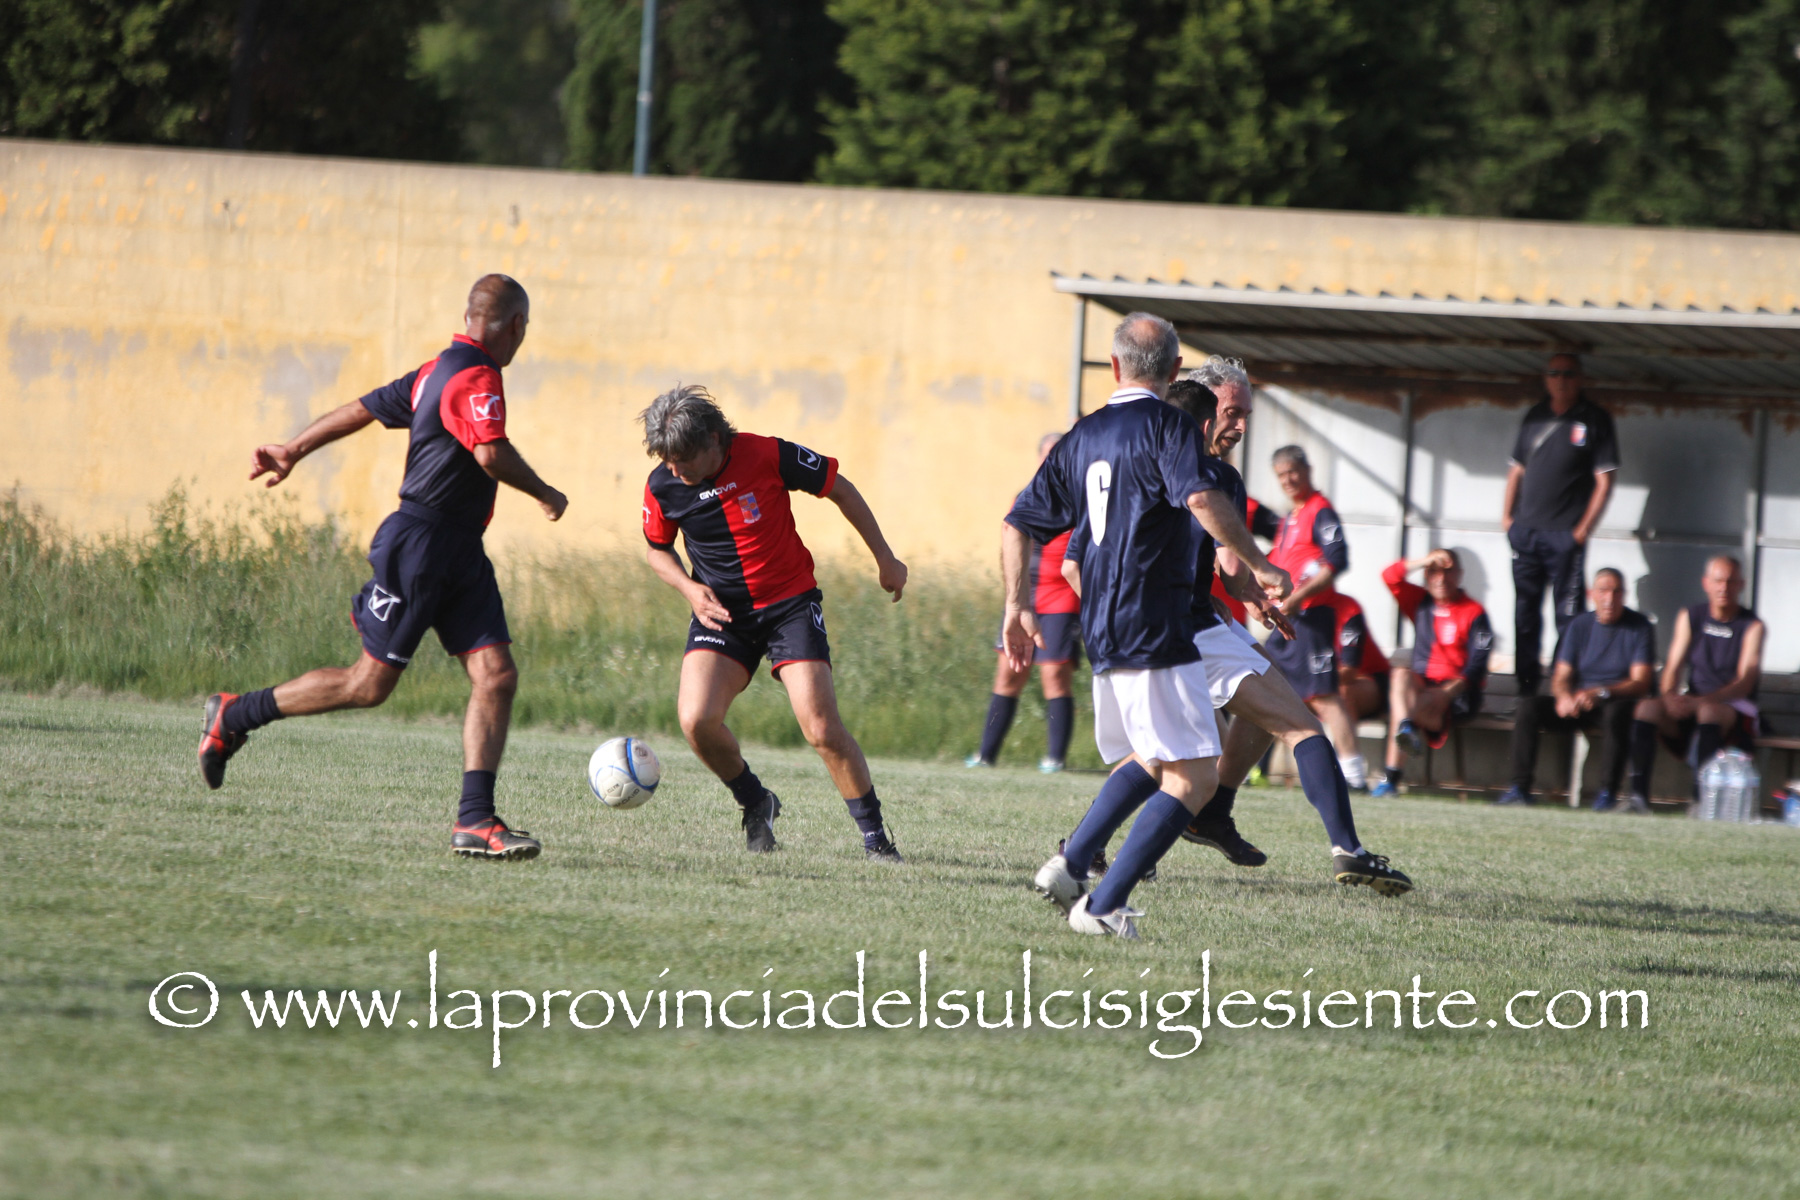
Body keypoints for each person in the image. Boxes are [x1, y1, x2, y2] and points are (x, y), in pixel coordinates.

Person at [196, 275, 569, 860]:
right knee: (367, 685)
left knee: (496, 675)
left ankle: (476, 820)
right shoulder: (476, 376)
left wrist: (293, 448)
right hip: (421, 548)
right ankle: (236, 713)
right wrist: (546, 492)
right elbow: (489, 452)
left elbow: (361, 409)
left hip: (459, 551)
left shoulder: (434, 372)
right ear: (516, 326)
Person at [1066, 370, 1409, 895]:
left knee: (1172, 751)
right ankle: (1347, 849)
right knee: (1294, 727)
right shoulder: (1209, 477)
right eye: (1232, 412)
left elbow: (1081, 563)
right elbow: (1223, 554)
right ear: (1202, 411)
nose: (1241, 425)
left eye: (1246, 414)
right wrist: (1262, 576)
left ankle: (1110, 845)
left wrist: (1248, 596)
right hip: (1183, 629)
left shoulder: (1133, 462)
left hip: (1152, 628)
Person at [1008, 313, 1295, 939]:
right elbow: (1200, 499)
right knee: (1195, 776)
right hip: (1156, 621)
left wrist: (1015, 604)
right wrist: (1262, 562)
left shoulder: (1082, 434)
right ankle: (1103, 906)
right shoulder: (1172, 425)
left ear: (1115, 366)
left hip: (1103, 626)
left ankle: (1072, 863)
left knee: (1154, 756)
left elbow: (1018, 523)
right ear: (1174, 370)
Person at [639, 384, 909, 860]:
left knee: (821, 728)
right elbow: (656, 549)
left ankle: (876, 840)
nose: (675, 471)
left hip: (789, 607)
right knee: (696, 720)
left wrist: (885, 558)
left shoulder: (766, 454)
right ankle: (755, 801)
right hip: (723, 615)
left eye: (683, 460)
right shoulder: (663, 484)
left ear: (713, 440)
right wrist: (689, 588)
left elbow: (840, 489)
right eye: (667, 461)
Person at [1501, 353, 1619, 695]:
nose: (1561, 380)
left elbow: (1605, 481)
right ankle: (1525, 692)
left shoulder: (1595, 419)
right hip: (1526, 532)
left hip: (1564, 537)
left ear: (1580, 378)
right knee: (1525, 614)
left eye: (1568, 373)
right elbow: (1516, 470)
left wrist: (1581, 531)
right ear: (1546, 378)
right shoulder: (1534, 416)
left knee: (1568, 618)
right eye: (1554, 373)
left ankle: (1561, 692)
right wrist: (1507, 519)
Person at [968, 433, 1081, 773]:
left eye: (1057, 453)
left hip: (1062, 597)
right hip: (1023, 597)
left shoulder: (1082, 495)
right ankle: (986, 755)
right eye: (1047, 453)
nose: (1051, 459)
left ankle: (1055, 759)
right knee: (1008, 673)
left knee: (1054, 675)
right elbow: (1009, 539)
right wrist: (1012, 594)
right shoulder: (1025, 496)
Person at [1261, 445, 1370, 790]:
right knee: (1261, 686)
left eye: (1293, 471)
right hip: (1287, 618)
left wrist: (1298, 598)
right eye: (1281, 475)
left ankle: (1353, 776)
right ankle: (1252, 770)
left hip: (1310, 618)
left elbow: (1336, 561)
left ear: (1307, 470)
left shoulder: (1320, 510)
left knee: (1325, 696)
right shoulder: (1290, 517)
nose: (1288, 479)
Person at [1499, 568, 1653, 810]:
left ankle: (1607, 793)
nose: (1609, 598)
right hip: (1578, 702)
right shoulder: (1579, 625)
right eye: (1603, 591)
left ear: (1624, 595)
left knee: (1617, 714)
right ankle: (1519, 789)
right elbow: (1561, 675)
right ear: (1592, 594)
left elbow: (1640, 682)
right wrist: (1563, 697)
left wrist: (1601, 692)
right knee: (1528, 707)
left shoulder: (1639, 627)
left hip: (1613, 700)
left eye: (1616, 592)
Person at [1630, 555, 1765, 808]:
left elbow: (1745, 682)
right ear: (1706, 583)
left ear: (1741, 585)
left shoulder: (1752, 625)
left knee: (1708, 712)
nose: (1723, 588)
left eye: (1730, 581)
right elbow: (1673, 665)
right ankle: (1637, 797)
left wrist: (1703, 701)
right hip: (1693, 703)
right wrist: (1669, 696)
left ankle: (1700, 799)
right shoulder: (1691, 616)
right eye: (1718, 581)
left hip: (1732, 707)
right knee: (1646, 708)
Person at [1375, 549, 1495, 797]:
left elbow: (1477, 665)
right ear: (1426, 575)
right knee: (1400, 674)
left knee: (1404, 709)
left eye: (1447, 572)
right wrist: (1422, 561)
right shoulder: (1422, 603)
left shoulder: (1474, 612)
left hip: (1456, 695)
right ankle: (1406, 729)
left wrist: (1447, 693)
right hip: (1422, 687)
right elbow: (1389, 576)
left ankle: (1390, 780)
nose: (1441, 579)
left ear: (1459, 574)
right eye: (1433, 571)